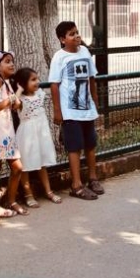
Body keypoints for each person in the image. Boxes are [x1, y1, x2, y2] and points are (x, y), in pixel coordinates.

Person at [49, 21, 105, 200]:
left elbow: (91, 78)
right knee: (74, 147)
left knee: (90, 144)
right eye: (72, 34)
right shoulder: (59, 57)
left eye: (77, 32)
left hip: (86, 109)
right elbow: (54, 85)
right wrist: (58, 111)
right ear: (62, 39)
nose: (77, 36)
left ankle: (93, 178)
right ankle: (76, 185)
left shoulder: (85, 52)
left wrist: (95, 100)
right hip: (70, 111)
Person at [0, 51, 26, 216]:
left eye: (12, 61)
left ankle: (10, 200)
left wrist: (16, 96)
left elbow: (17, 105)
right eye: (7, 61)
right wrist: (12, 99)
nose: (11, 64)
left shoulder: (7, 83)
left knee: (17, 167)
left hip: (7, 130)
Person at [14, 67, 61, 206]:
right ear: (23, 83)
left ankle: (48, 191)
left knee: (42, 164)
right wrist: (19, 90)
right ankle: (28, 195)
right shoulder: (20, 100)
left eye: (37, 79)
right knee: (26, 165)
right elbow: (13, 104)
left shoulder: (40, 94)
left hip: (41, 134)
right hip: (27, 135)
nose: (37, 82)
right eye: (33, 79)